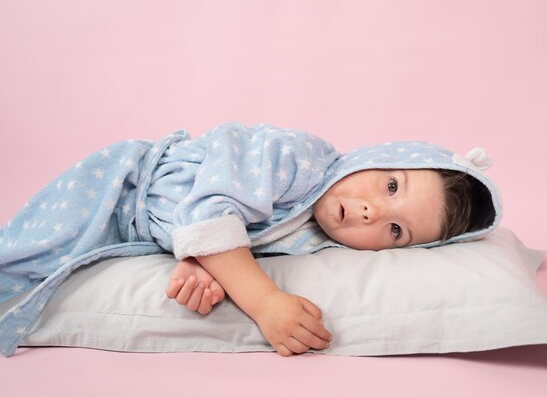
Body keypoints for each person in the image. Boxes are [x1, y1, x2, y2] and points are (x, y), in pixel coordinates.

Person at [0, 122, 501, 357]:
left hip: (149, 230)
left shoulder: (317, 238)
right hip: (123, 186)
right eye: (391, 185)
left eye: (396, 230)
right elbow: (210, 209)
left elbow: (227, 233)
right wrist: (263, 301)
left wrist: (205, 258)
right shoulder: (299, 157)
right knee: (23, 257)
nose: (374, 210)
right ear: (372, 156)